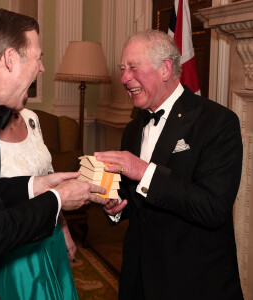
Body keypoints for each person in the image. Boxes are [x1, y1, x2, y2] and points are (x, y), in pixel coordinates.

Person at [0, 8, 107, 300]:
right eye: (38, 57)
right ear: (10, 59)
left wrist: (36, 185)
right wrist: (60, 198)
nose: (42, 68)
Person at [95, 29, 244, 300]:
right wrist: (115, 206)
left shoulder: (217, 123)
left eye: (133, 68)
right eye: (122, 69)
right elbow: (136, 199)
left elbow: (213, 208)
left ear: (165, 69)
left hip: (193, 282)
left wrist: (142, 171)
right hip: (137, 279)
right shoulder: (132, 129)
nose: (124, 78)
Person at [0, 101, 79, 299]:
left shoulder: (31, 117)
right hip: (14, 252)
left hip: (51, 235)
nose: (40, 69)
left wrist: (64, 228)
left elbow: (48, 177)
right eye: (32, 67)